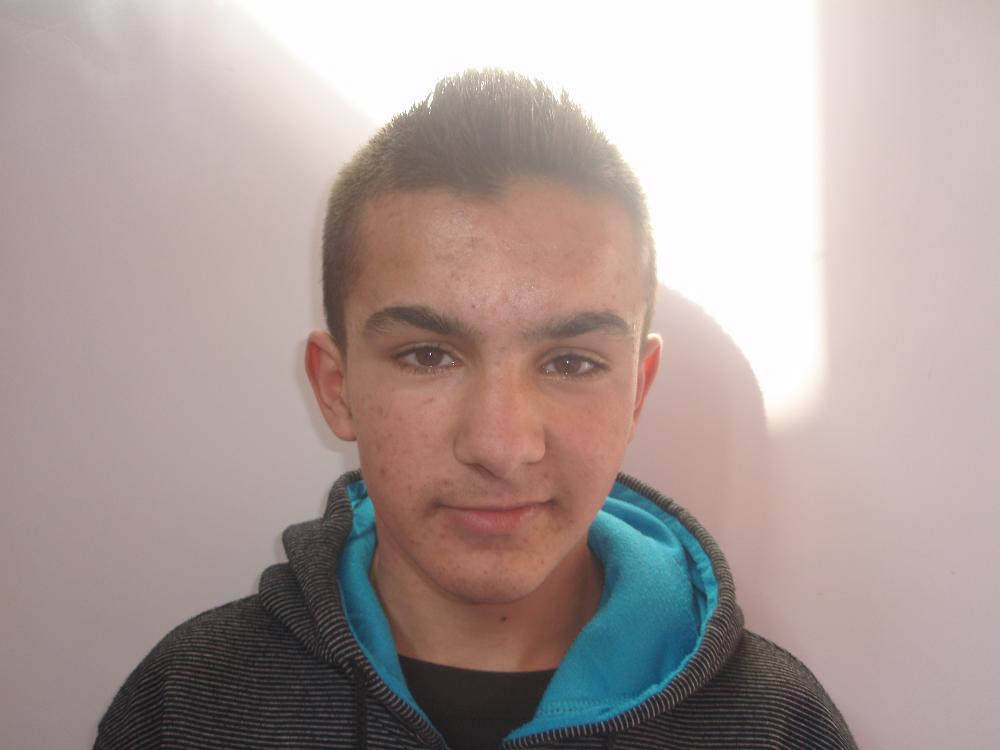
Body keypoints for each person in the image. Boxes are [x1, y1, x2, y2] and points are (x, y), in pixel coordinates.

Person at [95, 69, 856, 749]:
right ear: (336, 386)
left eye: (570, 362)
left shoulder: (780, 726)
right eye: (428, 355)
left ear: (637, 392)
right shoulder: (188, 706)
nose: (500, 445)